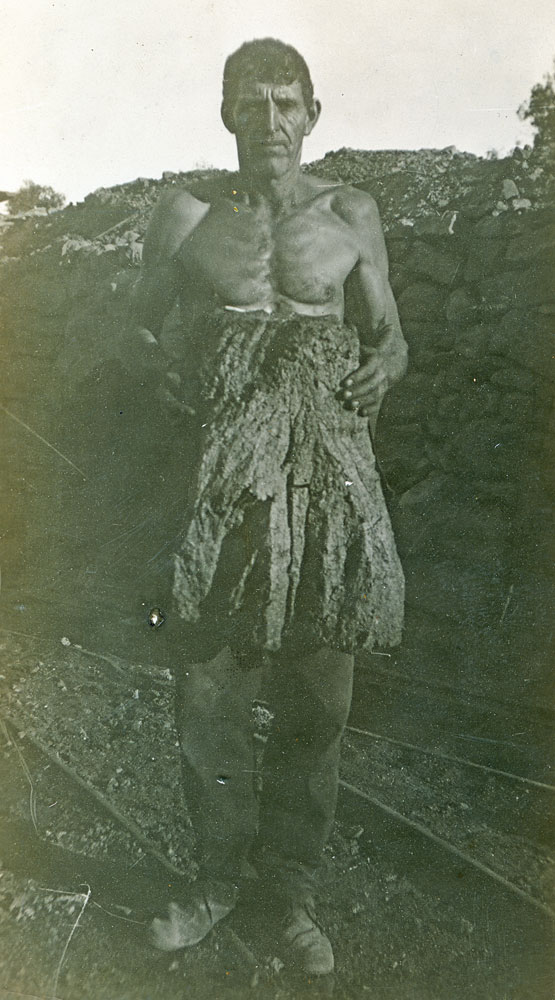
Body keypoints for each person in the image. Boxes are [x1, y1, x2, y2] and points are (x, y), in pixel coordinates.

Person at [128, 38, 407, 977]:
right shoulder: (187, 216)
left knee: (317, 703)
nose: (271, 120)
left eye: (287, 103)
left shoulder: (352, 214)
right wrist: (166, 370)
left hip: (327, 487)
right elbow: (138, 324)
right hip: (220, 489)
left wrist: (380, 369)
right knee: (207, 689)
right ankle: (213, 883)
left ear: (313, 114)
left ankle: (287, 898)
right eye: (252, 104)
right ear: (226, 115)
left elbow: (390, 339)